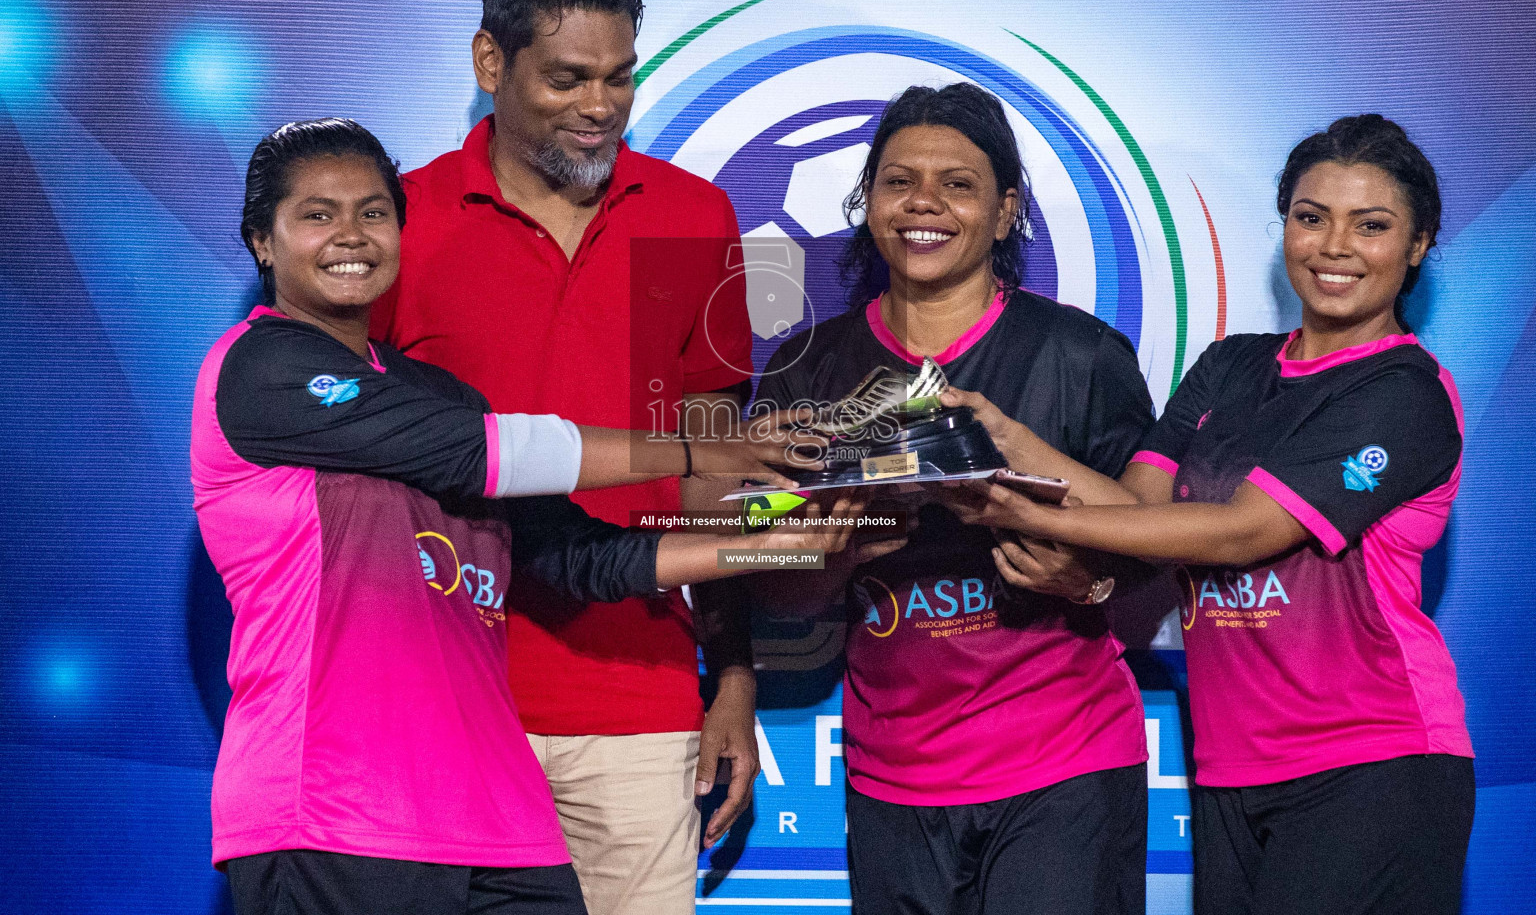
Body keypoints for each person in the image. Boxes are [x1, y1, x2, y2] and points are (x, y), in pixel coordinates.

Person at [193, 118, 855, 915]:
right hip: (336, 808)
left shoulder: (442, 395)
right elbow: (478, 454)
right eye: (316, 214)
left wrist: (782, 548)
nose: (351, 236)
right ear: (262, 241)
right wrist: (705, 449)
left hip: (497, 820)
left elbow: (581, 558)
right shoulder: (260, 369)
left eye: (373, 212)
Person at [944, 114, 1474, 915]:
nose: (1333, 246)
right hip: (1231, 764)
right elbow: (1133, 510)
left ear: (1419, 245)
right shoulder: (1231, 366)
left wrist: (1014, 508)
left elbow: (1241, 531)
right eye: (1310, 217)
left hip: (1374, 763)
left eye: (1372, 226)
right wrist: (1006, 435)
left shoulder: (1404, 392)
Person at [369, 0, 760, 913]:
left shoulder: (697, 215)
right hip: (437, 701)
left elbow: (715, 459)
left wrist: (735, 668)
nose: (599, 107)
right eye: (568, 78)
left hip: (636, 695)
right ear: (489, 63)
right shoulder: (398, 223)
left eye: (620, 79)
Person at [751, 83, 1156, 915]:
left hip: (1063, 763)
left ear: (1007, 212)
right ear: (867, 205)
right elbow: (766, 577)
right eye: (898, 181)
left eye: (958, 184)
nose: (923, 203)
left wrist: (1086, 576)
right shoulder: (805, 366)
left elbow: (1157, 552)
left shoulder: (1080, 356)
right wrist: (827, 559)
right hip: (891, 771)